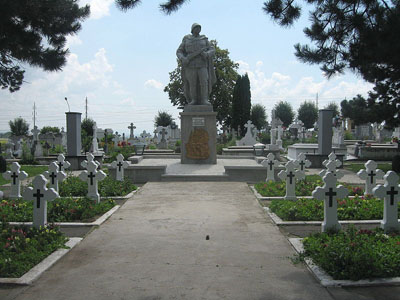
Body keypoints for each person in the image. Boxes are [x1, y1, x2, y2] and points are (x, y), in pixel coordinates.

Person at [176, 23, 216, 106]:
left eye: (199, 28)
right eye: (196, 28)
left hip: (202, 65)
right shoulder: (187, 39)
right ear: (192, 29)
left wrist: (207, 54)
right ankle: (193, 100)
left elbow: (212, 49)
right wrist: (183, 58)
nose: (198, 29)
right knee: (192, 83)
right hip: (190, 65)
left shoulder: (204, 39)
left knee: (204, 82)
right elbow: (179, 51)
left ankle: (204, 100)